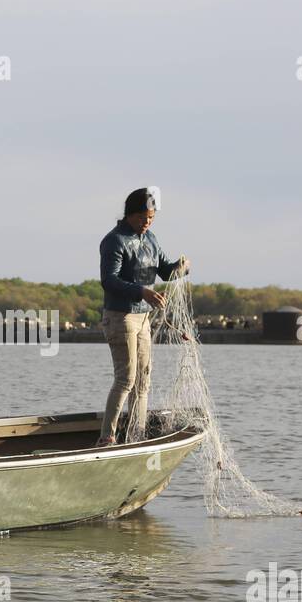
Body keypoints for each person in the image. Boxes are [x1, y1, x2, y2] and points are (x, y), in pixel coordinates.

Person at [97, 188, 189, 446]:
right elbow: (109, 280)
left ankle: (135, 434)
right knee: (126, 378)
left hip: (144, 318)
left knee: (143, 379)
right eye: (142, 217)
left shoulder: (151, 240)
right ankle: (107, 437)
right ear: (130, 214)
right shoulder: (114, 241)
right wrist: (142, 292)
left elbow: (166, 272)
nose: (147, 222)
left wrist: (181, 268)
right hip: (121, 317)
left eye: (151, 217)